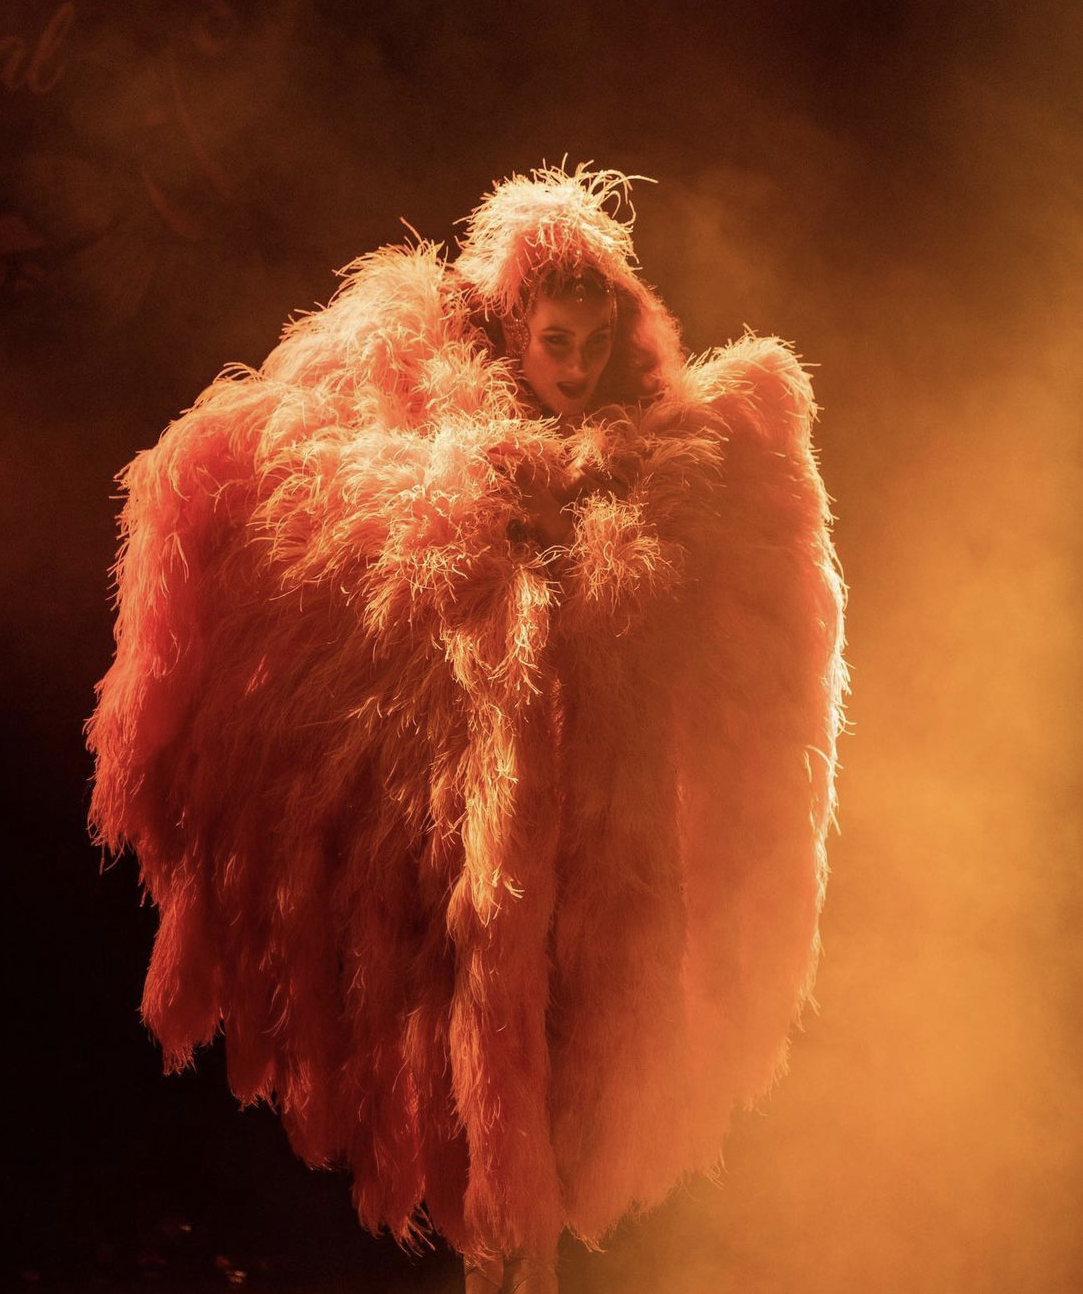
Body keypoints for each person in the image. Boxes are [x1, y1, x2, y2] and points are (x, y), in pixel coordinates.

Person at [87, 164, 847, 1294]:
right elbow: (332, 530)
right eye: (556, 341)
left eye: (594, 342)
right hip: (458, 839)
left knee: (567, 1075)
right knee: (470, 1086)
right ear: (512, 329)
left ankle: (521, 1256)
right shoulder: (430, 431)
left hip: (598, 841)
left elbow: (725, 633)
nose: (577, 367)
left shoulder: (666, 455)